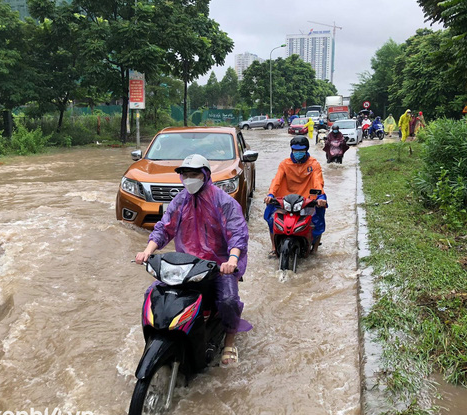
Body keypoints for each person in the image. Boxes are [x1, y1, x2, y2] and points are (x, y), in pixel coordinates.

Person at [135, 154, 251, 366]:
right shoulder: (180, 200)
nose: (189, 179)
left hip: (217, 266)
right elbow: (164, 228)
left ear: (205, 175)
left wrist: (232, 260)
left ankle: (229, 342)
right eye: (185, 175)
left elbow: (238, 234)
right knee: (152, 296)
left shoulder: (224, 202)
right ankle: (154, 342)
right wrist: (147, 252)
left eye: (194, 174)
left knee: (228, 301)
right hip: (185, 266)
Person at [263, 136, 328, 255]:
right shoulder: (285, 164)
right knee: (272, 219)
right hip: (286, 199)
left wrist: (320, 197)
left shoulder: (313, 164)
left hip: (307, 199)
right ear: (291, 150)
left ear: (306, 150)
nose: (298, 153)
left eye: (301, 150)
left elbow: (317, 181)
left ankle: (314, 250)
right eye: (295, 150)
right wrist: (271, 194)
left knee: (317, 219)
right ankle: (274, 248)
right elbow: (276, 180)